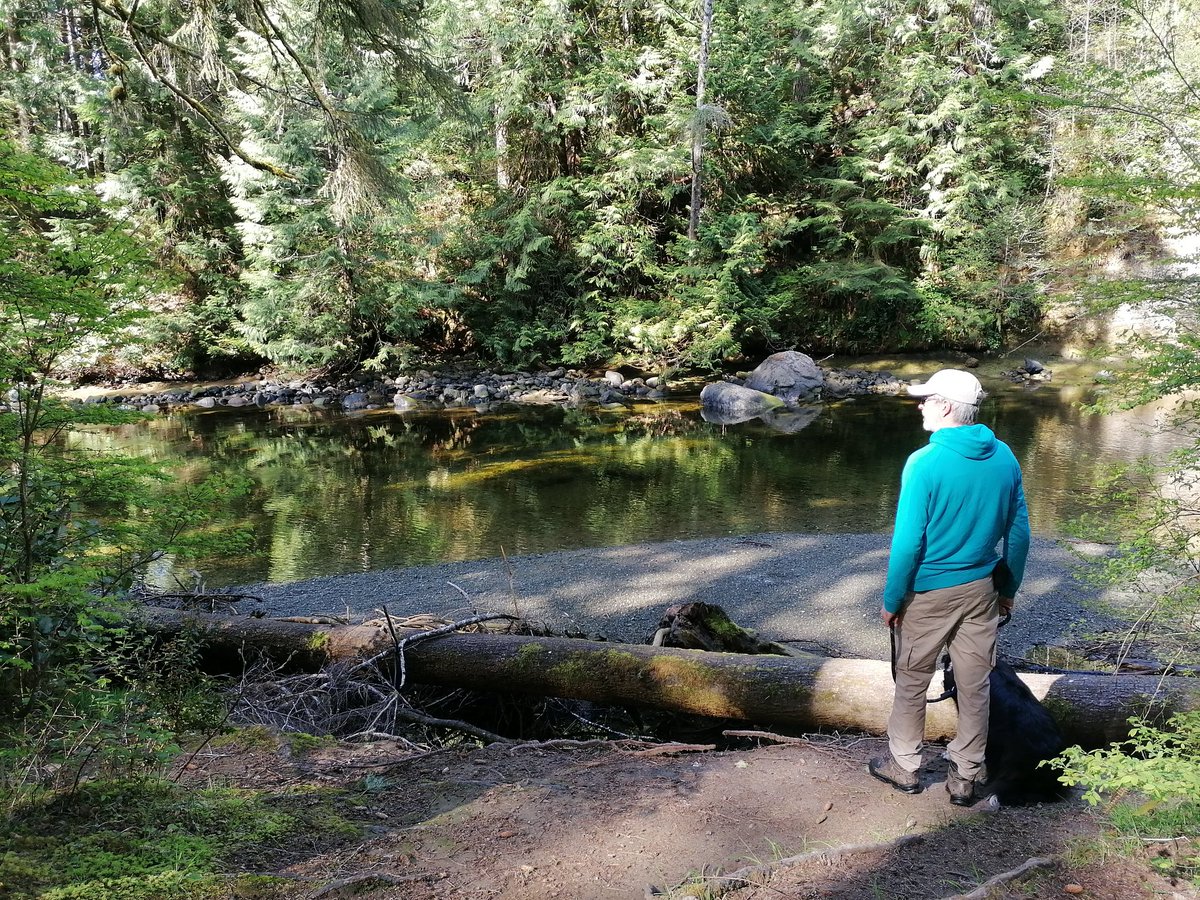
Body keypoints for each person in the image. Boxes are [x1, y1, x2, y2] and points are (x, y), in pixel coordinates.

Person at [867, 368, 1031, 805]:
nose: (919, 406)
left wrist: (891, 600)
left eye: (925, 399)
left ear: (944, 406)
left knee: (912, 679)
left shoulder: (925, 463)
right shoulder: (1005, 457)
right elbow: (1018, 534)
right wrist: (1008, 588)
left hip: (928, 594)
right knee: (975, 684)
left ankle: (904, 766)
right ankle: (965, 777)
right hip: (982, 589)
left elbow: (908, 543)